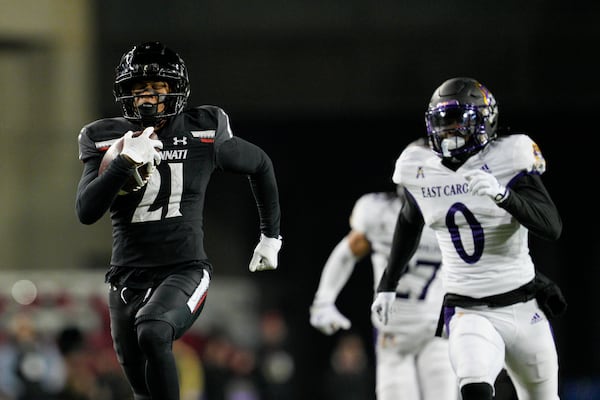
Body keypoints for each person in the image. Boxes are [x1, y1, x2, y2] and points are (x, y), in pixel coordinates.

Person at [75, 41, 282, 400]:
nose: (146, 98)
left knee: (153, 330)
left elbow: (260, 163)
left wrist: (270, 236)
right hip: (126, 275)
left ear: (175, 90)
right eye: (138, 89)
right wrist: (124, 162)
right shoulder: (104, 136)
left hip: (184, 268)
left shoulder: (203, 130)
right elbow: (86, 211)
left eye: (156, 88)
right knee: (143, 388)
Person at [371, 77, 565, 400]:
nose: (449, 132)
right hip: (469, 310)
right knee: (473, 385)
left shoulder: (511, 156)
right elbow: (409, 220)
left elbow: (552, 226)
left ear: (484, 122)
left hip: (524, 306)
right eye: (442, 122)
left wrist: (505, 196)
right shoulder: (419, 167)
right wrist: (388, 283)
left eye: (458, 121)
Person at [309, 188, 458, 400]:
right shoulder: (383, 214)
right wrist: (323, 301)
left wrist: (323, 301)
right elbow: (348, 251)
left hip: (433, 331)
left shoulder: (448, 214)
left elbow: (345, 254)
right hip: (396, 335)